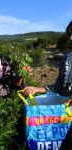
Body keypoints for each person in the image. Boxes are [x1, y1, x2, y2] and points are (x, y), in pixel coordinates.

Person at [23, 21, 72, 150]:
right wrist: (37, 89)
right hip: (66, 114)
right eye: (70, 34)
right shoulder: (68, 58)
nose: (71, 38)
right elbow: (59, 87)